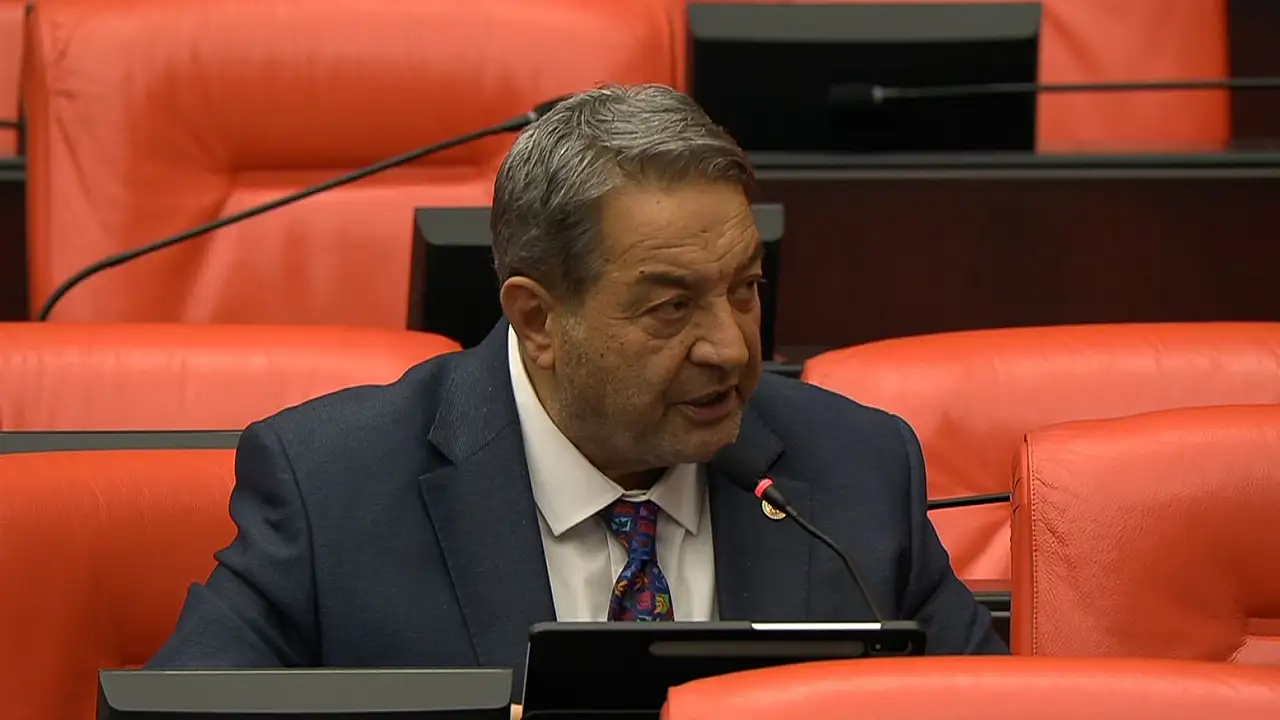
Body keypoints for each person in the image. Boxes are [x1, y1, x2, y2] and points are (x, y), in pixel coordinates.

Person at [149, 84, 1007, 705]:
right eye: (671, 307)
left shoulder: (856, 469)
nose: (731, 347)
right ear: (539, 319)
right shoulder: (334, 489)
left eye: (745, 288)